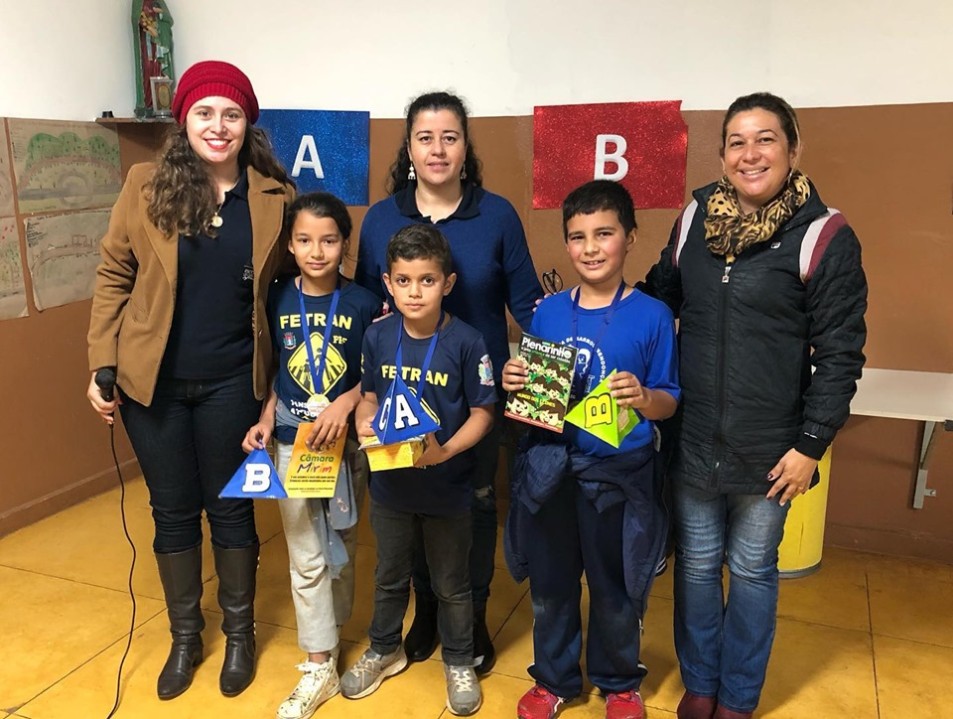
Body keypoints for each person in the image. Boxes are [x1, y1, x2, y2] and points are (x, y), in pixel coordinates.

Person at [641, 92, 868, 719]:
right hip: (693, 441)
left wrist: (810, 445)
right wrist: (586, 313)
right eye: (737, 141)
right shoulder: (693, 222)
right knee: (694, 569)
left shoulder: (824, 235)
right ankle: (703, 685)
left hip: (773, 451)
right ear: (720, 155)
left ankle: (738, 697)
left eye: (765, 139)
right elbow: (657, 302)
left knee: (751, 570)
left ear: (793, 150)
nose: (751, 153)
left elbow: (841, 355)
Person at [86, 60, 295, 700]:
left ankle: (238, 635)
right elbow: (113, 274)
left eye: (231, 114)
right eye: (204, 112)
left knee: (231, 509)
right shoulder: (145, 184)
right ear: (184, 119)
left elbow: (288, 295)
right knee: (172, 511)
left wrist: (277, 390)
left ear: (246, 123)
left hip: (234, 381)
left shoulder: (272, 197)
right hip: (153, 386)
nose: (218, 125)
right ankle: (184, 638)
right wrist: (101, 361)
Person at [354, 91, 542, 674]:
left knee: (476, 507)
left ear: (466, 147)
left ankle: (470, 613)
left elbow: (531, 305)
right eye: (425, 138)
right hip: (405, 396)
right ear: (408, 147)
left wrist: (570, 350)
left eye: (450, 137)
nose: (438, 150)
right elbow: (368, 307)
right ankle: (427, 612)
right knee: (411, 501)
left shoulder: (498, 215)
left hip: (475, 400)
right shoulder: (383, 218)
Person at [502, 180, 680, 719]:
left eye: (604, 233)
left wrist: (646, 397)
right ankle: (554, 678)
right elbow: (536, 392)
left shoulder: (651, 315)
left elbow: (670, 398)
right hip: (551, 470)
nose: (591, 247)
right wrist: (515, 378)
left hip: (617, 474)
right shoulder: (548, 312)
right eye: (577, 237)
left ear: (629, 237)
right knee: (552, 585)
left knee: (616, 585)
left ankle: (619, 680)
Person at [341, 225, 497, 716]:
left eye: (426, 281)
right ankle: (384, 648)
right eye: (404, 280)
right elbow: (368, 397)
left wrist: (446, 452)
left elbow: (484, 412)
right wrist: (365, 418)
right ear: (388, 282)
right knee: (389, 576)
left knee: (453, 584)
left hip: (448, 487)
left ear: (447, 283)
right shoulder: (377, 336)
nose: (414, 291)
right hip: (390, 487)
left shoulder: (469, 342)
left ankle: (457, 660)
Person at [242, 193, 381, 719]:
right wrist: (263, 419)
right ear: (289, 244)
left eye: (328, 240)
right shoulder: (276, 297)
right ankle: (318, 662)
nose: (316, 251)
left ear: (345, 244)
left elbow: (377, 375)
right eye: (304, 240)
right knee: (306, 555)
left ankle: (333, 631)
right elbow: (278, 371)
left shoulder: (365, 303)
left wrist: (346, 402)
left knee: (340, 552)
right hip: (289, 443)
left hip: (345, 451)